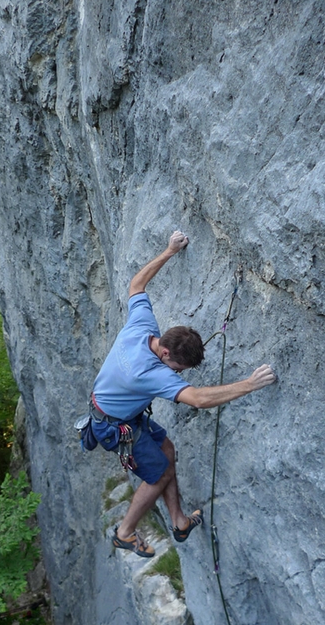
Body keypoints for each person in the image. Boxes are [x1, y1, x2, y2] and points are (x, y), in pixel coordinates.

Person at [91, 230, 276, 557]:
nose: (176, 375)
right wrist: (250, 383)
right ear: (165, 355)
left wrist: (169, 250)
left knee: (167, 451)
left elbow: (136, 284)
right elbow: (199, 399)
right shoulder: (149, 373)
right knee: (159, 472)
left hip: (116, 410)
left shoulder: (143, 327)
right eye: (178, 369)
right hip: (114, 424)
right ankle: (125, 532)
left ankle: (179, 522)